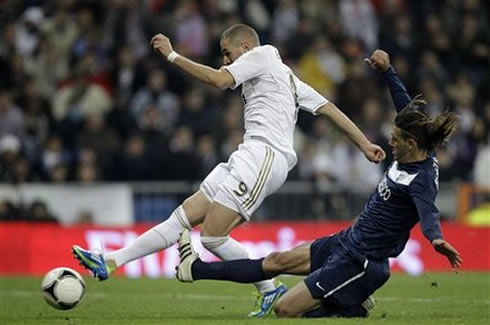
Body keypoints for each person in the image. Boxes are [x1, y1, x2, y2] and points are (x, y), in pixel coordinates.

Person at [72, 24, 385, 317]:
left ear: (246, 46)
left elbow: (219, 80)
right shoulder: (286, 78)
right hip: (247, 154)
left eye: (227, 52)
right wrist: (363, 143)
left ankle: (276, 288)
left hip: (265, 156)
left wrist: (171, 55)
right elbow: (329, 108)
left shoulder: (263, 55)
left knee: (211, 238)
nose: (225, 59)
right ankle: (112, 261)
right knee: (182, 218)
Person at [174, 49, 463, 318]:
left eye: (396, 140)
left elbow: (428, 213)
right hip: (347, 240)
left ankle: (350, 304)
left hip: (362, 262)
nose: (390, 142)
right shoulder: (418, 142)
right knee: (275, 260)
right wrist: (388, 71)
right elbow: (405, 104)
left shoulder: (421, 180)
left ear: (411, 144)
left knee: (285, 310)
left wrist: (436, 238)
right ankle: (194, 269)